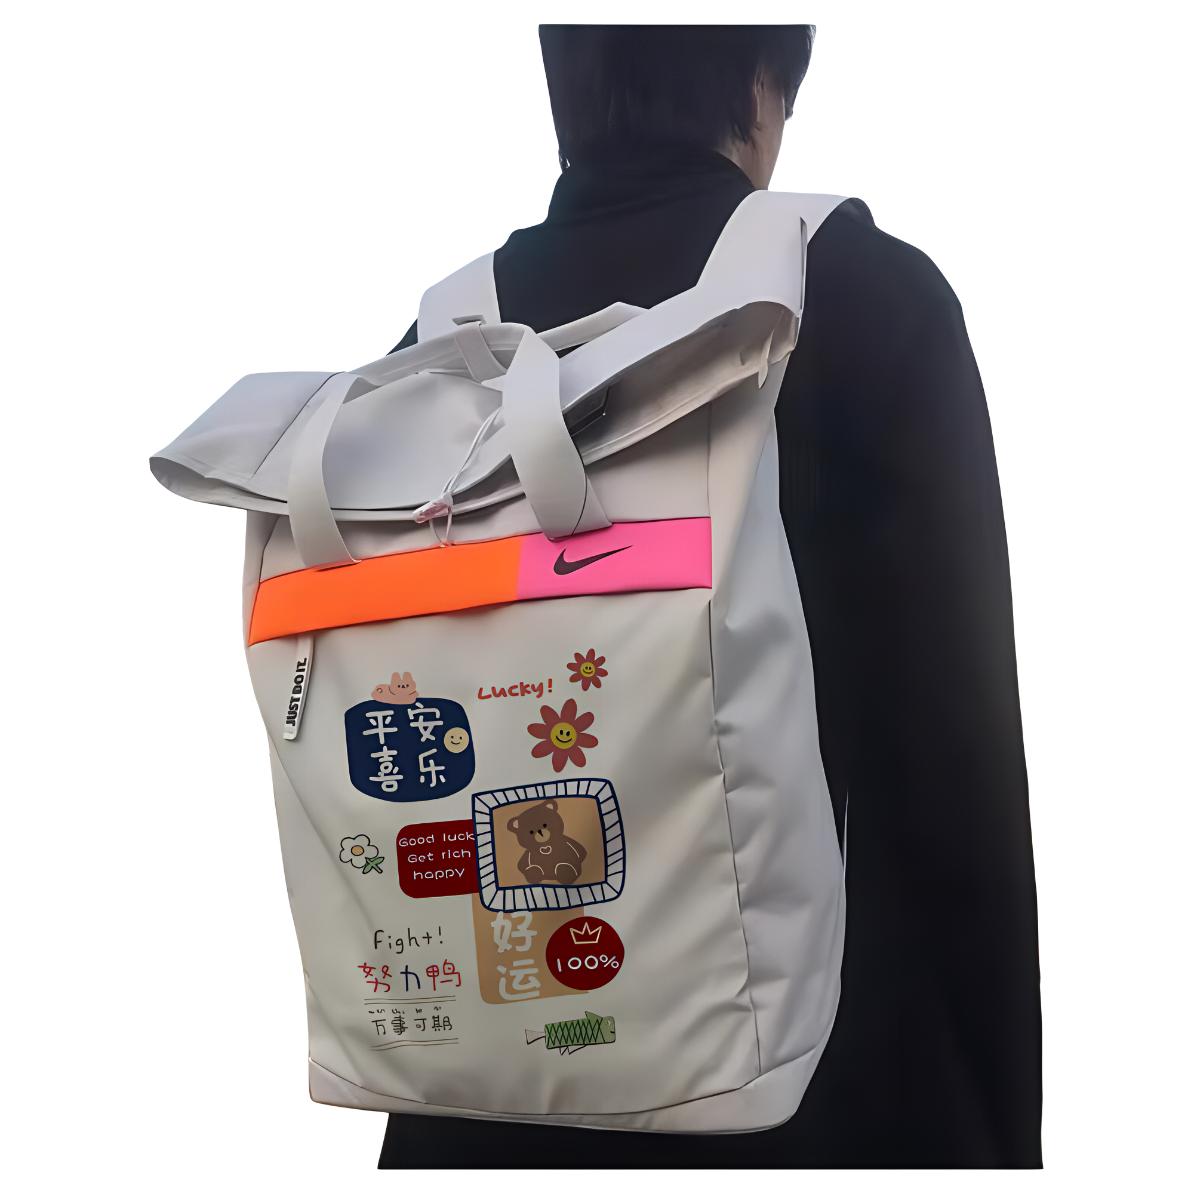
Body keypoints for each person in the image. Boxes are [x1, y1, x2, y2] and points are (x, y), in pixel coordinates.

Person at [379, 24, 1041, 1169]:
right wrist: (998, 1128)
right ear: (763, 81)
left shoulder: (440, 346)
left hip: (488, 1086)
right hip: (825, 1096)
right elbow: (957, 758)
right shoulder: (860, 297)